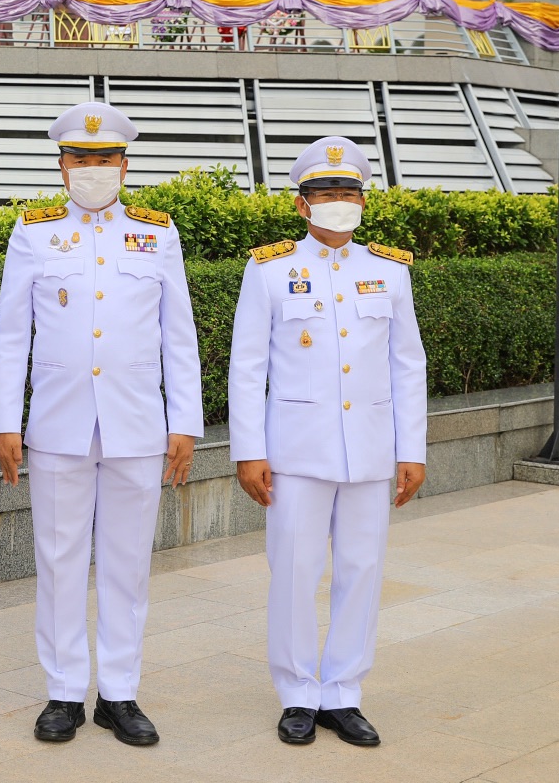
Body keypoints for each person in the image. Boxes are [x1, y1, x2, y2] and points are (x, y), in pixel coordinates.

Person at [0, 102, 201, 748]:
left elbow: (179, 337)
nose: (93, 169)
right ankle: (61, 691)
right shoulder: (33, 232)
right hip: (57, 423)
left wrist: (184, 422)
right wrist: (5, 421)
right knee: (58, 560)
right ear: (61, 166)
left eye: (105, 158)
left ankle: (119, 693)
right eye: (81, 159)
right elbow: (10, 334)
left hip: (137, 423)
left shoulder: (156, 233)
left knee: (128, 564)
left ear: (125, 165)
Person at [227, 136, 428, 749]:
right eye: (325, 194)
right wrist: (248, 450)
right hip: (295, 451)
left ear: (362, 202)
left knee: (362, 572)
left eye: (348, 194)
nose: (338, 203)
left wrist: (411, 449)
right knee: (293, 570)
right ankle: (296, 694)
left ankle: (343, 693)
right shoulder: (270, 269)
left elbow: (407, 364)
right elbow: (246, 365)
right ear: (301, 205)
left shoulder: (389, 271)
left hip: (369, 449)